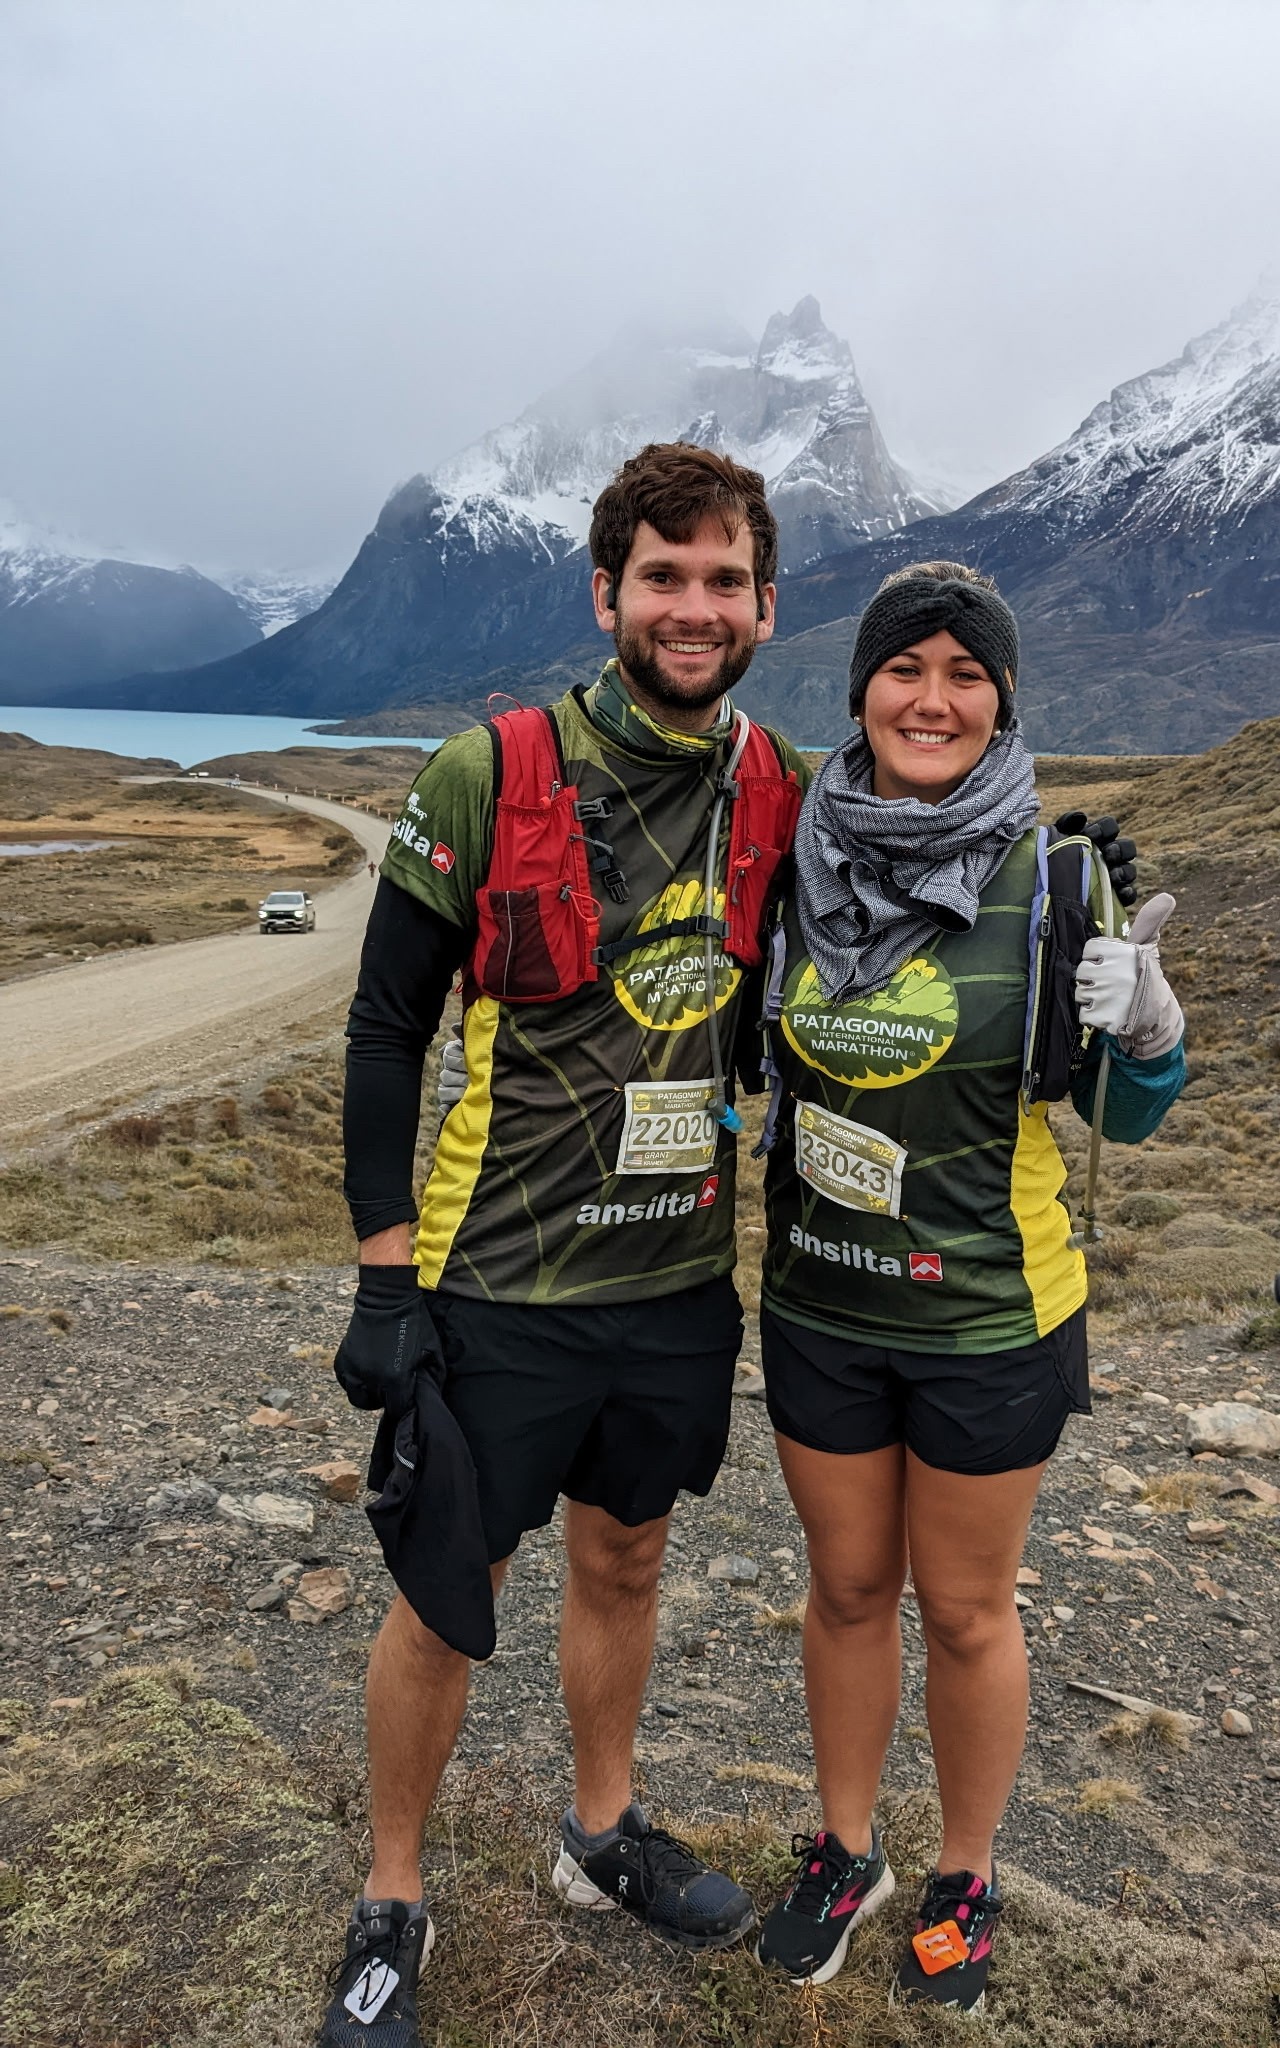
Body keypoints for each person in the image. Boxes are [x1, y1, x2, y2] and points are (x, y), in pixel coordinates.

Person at [318, 444, 807, 2048]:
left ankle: (601, 1836)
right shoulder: (490, 772)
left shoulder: (782, 788)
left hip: (674, 1283)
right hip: (499, 1280)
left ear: (765, 605)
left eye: (723, 579)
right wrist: (385, 1275)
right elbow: (385, 1031)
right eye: (663, 577)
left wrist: (1058, 886)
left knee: (629, 1560)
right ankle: (392, 1896)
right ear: (607, 594)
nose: (693, 607)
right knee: (448, 1593)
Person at [749, 563, 1186, 2013]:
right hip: (820, 1304)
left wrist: (1151, 1030)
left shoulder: (1057, 880)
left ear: (1001, 702)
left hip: (990, 1316)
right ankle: (845, 1851)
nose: (932, 699)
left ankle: (966, 1875)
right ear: (861, 689)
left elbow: (1123, 1115)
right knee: (846, 1588)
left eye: (966, 674)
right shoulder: (794, 861)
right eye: (905, 668)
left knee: (966, 1611)